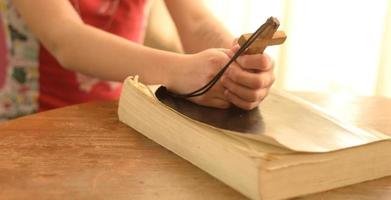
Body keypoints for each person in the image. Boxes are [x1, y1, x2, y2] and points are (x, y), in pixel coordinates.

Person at [0, 0, 275, 120]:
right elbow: (65, 39)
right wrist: (178, 71)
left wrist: (235, 61)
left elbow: (196, 22)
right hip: (28, 124)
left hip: (116, 118)